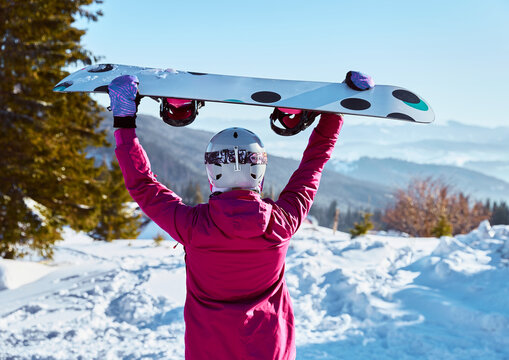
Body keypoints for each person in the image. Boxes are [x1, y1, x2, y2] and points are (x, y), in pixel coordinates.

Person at [109, 71, 374, 360]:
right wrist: (336, 110)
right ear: (260, 171)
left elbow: (142, 184)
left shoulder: (194, 227)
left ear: (212, 171)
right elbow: (315, 161)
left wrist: (124, 121)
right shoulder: (280, 223)